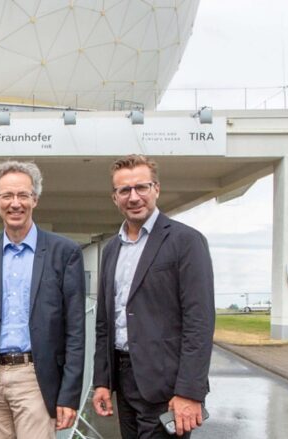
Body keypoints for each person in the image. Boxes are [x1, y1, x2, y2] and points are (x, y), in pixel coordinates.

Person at [0, 160, 86, 439]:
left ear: (35, 199)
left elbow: (75, 330)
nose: (15, 203)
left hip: (36, 380)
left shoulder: (64, 252)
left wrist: (69, 395)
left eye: (23, 195)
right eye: (7, 195)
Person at [92, 155, 215, 438]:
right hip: (124, 380)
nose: (134, 197)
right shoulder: (111, 249)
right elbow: (104, 323)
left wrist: (189, 391)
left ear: (156, 189)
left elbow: (199, 322)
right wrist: (102, 381)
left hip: (167, 388)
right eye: (125, 190)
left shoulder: (186, 241)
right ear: (115, 197)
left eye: (141, 187)